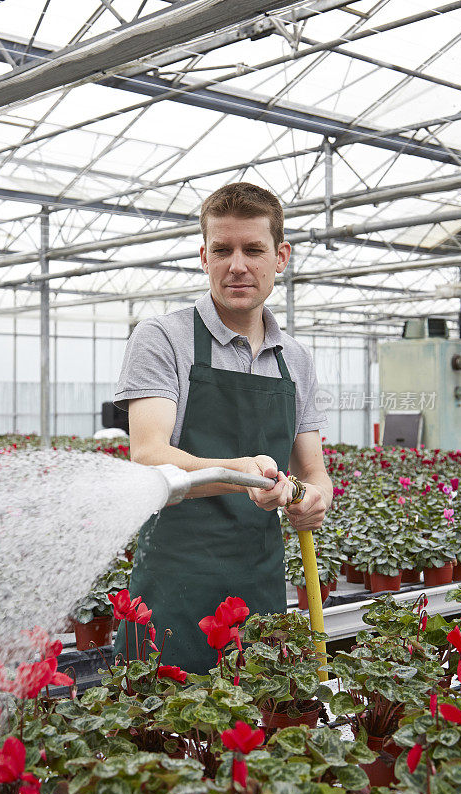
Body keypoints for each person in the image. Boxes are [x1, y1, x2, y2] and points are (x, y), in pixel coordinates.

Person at [113, 182, 332, 673]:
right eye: (222, 250)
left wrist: (313, 498)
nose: (237, 265)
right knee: (163, 734)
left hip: (260, 580)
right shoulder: (162, 338)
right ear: (203, 256)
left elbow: (314, 473)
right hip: (175, 583)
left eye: (253, 249)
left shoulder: (294, 358)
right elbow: (149, 455)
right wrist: (237, 472)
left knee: (262, 733)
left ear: (280, 256)